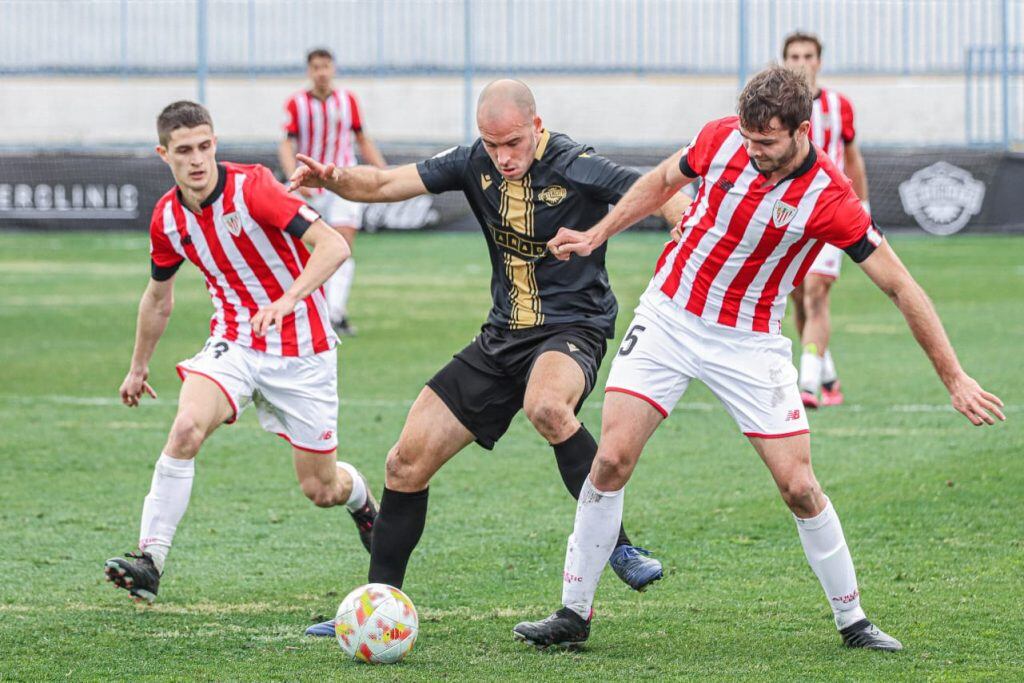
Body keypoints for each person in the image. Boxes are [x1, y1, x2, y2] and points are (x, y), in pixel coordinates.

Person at [513, 66, 1004, 652]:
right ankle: (573, 612)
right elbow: (663, 180)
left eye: (765, 142)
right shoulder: (722, 137)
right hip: (669, 316)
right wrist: (596, 234)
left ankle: (853, 620)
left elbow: (901, 286)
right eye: (748, 138)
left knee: (799, 486)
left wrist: (954, 378)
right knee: (612, 459)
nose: (752, 151)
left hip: (749, 341)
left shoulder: (829, 196)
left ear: (800, 132)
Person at [291, 79, 691, 636]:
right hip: (502, 337)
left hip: (574, 327)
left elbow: (662, 192)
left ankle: (618, 547)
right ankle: (376, 604)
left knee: (548, 407)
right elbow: (385, 182)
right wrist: (336, 178)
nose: (502, 157)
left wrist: (687, 231)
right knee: (403, 463)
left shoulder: (577, 164)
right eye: (491, 143)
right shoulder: (473, 161)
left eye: (513, 143)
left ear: (536, 126)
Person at [104, 101, 378, 604]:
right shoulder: (167, 218)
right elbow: (158, 297)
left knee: (321, 489)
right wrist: (137, 367)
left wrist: (287, 299)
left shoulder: (252, 187)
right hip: (234, 341)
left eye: (205, 146)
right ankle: (150, 561)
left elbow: (334, 245)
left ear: (215, 144)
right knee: (185, 429)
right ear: (163, 154)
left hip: (303, 348)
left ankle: (360, 500)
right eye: (184, 150)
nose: (197, 160)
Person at [782, 32, 871, 408]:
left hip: (831, 212)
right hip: (787, 216)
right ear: (785, 61)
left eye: (808, 55)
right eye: (794, 56)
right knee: (800, 300)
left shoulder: (839, 106)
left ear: (819, 61)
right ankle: (828, 375)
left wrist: (863, 207)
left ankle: (807, 385)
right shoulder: (777, 107)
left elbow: (852, 157)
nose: (801, 62)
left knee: (817, 293)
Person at [278, 48, 387, 336]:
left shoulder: (347, 101)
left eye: (326, 66)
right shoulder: (296, 104)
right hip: (311, 186)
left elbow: (362, 139)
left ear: (333, 68)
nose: (321, 72)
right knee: (314, 248)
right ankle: (314, 309)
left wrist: (385, 173)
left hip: (343, 182)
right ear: (309, 71)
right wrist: (295, 180)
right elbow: (286, 145)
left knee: (342, 245)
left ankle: (334, 313)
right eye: (316, 67)